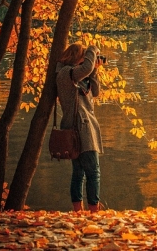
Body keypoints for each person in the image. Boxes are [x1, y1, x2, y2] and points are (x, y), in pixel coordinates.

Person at [56, 43, 104, 213]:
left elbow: (96, 92)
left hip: (83, 126)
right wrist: (92, 49)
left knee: (80, 172)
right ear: (76, 57)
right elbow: (86, 67)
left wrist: (95, 71)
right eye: (84, 56)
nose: (87, 60)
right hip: (79, 127)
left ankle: (79, 211)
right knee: (93, 172)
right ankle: (94, 211)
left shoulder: (79, 77)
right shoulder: (65, 73)